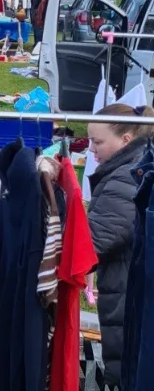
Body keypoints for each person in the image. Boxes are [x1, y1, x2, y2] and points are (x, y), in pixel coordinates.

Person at [86, 103, 154, 388]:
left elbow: (93, 241)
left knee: (127, 365)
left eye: (97, 142)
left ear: (125, 140)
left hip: (126, 295)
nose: (91, 149)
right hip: (124, 289)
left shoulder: (125, 179)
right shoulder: (129, 168)